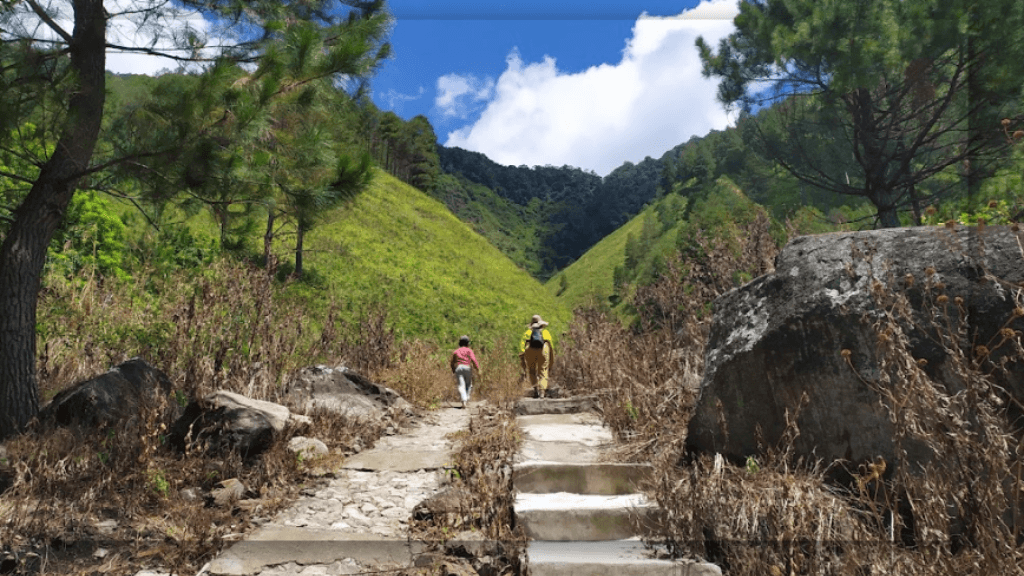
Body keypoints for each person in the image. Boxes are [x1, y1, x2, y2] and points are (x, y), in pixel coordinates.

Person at [519, 314, 554, 398]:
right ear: (542, 324)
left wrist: (522, 357)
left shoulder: (527, 333)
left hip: (529, 349)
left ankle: (535, 390)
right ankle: (542, 391)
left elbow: (522, 346)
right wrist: (551, 360)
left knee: (532, 370)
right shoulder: (545, 332)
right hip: (544, 349)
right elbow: (551, 346)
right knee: (543, 370)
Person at [449, 335, 480, 409]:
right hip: (467, 368)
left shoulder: (456, 351)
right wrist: (478, 369)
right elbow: (473, 360)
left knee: (461, 385)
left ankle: (464, 400)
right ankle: (466, 398)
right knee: (468, 385)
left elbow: (452, 362)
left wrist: (453, 370)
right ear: (467, 343)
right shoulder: (469, 351)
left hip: (459, 368)